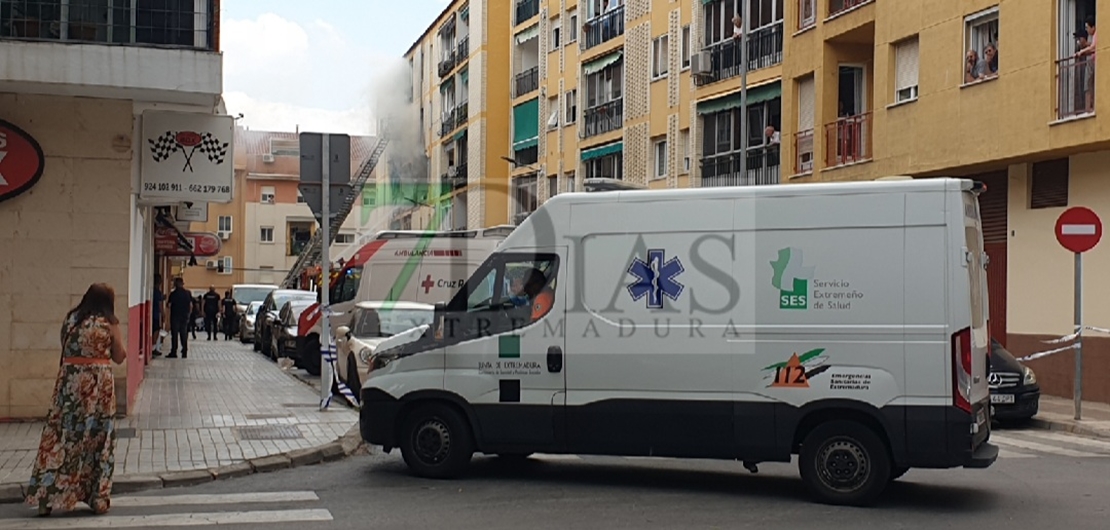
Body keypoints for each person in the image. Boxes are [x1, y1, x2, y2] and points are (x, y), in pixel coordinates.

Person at [25, 283, 127, 516]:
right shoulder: (109, 322)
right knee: (96, 439)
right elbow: (119, 356)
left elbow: (66, 348)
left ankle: (45, 499)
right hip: (98, 387)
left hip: (69, 385)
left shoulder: (71, 319)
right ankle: (97, 498)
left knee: (60, 438)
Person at [167, 278, 192, 358]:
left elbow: (169, 305)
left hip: (175, 316)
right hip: (184, 316)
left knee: (174, 334)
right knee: (183, 334)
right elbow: (190, 305)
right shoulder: (187, 293)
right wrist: (188, 315)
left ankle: (174, 351)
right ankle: (184, 351)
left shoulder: (173, 294)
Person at [151, 274, 164, 357]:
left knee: (154, 330)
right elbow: (159, 304)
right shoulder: (157, 292)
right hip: (155, 314)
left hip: (152, 313)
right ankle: (153, 348)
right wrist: (163, 313)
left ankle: (153, 347)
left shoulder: (152, 291)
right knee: (156, 330)